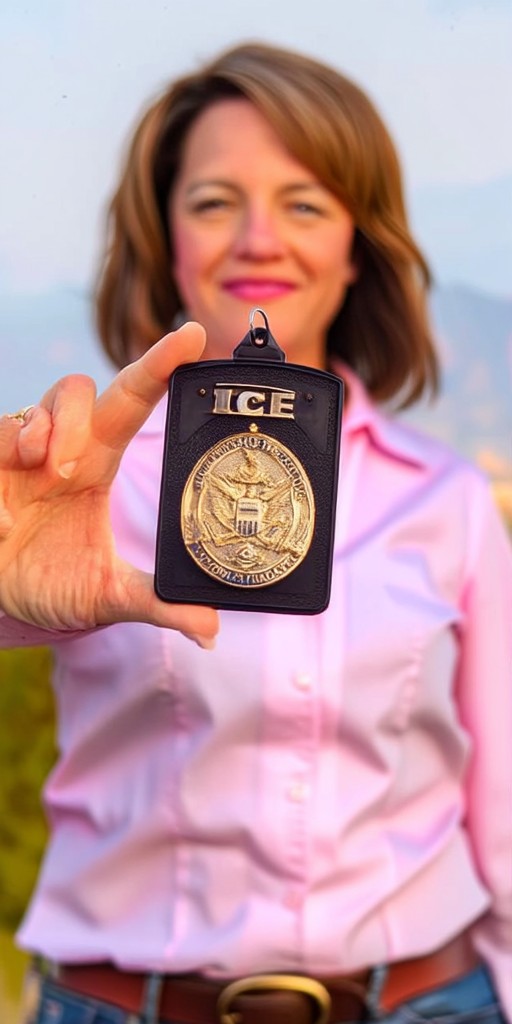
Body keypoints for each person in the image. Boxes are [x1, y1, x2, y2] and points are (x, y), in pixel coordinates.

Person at [0, 40, 510, 1024]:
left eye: (305, 202)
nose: (258, 239)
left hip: (427, 1002)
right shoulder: (74, 483)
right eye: (213, 201)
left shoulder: (445, 499)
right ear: (164, 240)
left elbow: (503, 812)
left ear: (359, 245)